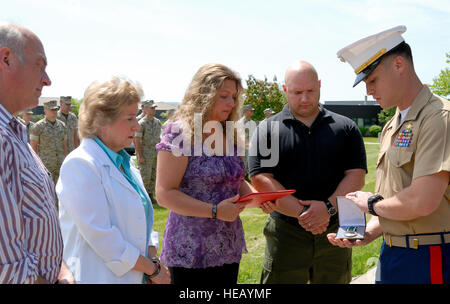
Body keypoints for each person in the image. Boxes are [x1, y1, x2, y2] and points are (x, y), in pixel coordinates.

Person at [329, 25, 450, 284]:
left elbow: (421, 202)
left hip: (428, 256)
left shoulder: (438, 117)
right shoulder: (391, 125)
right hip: (392, 253)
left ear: (398, 65)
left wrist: (370, 204)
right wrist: (368, 232)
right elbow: (397, 200)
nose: (367, 90)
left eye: (372, 79)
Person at [249, 61, 367, 284]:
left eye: (310, 91)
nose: (304, 99)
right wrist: (305, 214)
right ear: (285, 90)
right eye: (297, 92)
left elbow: (356, 175)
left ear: (320, 85)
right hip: (286, 232)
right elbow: (261, 178)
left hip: (335, 231)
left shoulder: (346, 127)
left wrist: (328, 209)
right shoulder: (268, 129)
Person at [155, 63, 264, 285]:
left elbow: (234, 179)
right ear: (203, 95)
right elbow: (165, 194)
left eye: (234, 97)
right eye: (224, 96)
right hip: (191, 249)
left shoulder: (228, 132)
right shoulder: (180, 132)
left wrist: (258, 198)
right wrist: (215, 211)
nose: (232, 103)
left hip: (228, 243)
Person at [56, 76, 170, 284]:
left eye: (136, 117)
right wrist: (152, 269)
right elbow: (103, 237)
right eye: (129, 119)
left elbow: (143, 221)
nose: (136, 126)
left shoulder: (126, 164)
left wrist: (153, 258)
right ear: (101, 122)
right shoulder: (81, 164)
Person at [0, 21, 73, 284]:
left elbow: (34, 223)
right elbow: (6, 268)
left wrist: (60, 268)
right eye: (39, 66)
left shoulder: (12, 131)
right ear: (6, 59)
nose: (47, 79)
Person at [30, 99, 67, 191]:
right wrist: (36, 166)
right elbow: (33, 148)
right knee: (48, 191)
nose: (54, 112)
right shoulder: (38, 127)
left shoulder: (62, 126)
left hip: (60, 164)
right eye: (51, 110)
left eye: (55, 109)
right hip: (46, 166)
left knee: (61, 190)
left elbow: (64, 146)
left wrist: (65, 161)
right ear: (45, 110)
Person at [134, 99, 162, 199]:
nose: (153, 110)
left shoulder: (157, 122)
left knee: (153, 176)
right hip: (145, 153)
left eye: (154, 108)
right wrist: (140, 156)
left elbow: (159, 138)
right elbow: (137, 140)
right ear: (145, 109)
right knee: (145, 176)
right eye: (151, 108)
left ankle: (150, 196)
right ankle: (142, 197)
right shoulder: (142, 123)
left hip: (155, 153)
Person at [237, 104, 257, 176]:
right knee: (241, 161)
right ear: (245, 111)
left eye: (253, 110)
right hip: (241, 146)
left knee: (249, 160)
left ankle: (246, 174)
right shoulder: (239, 122)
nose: (252, 111)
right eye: (251, 110)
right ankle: (241, 175)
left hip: (250, 146)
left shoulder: (253, 123)